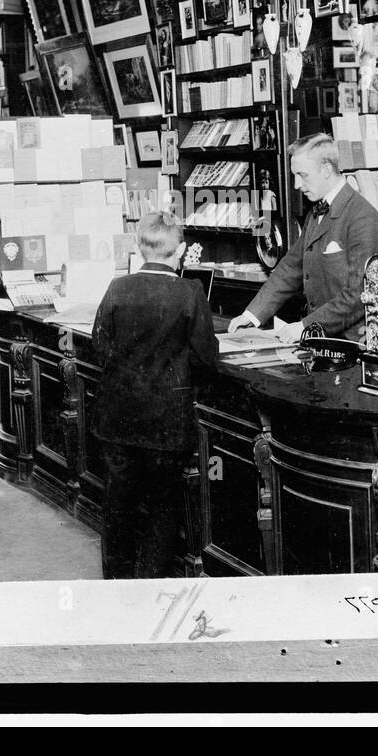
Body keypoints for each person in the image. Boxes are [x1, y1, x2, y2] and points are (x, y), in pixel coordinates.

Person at [91, 211, 218, 579]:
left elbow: (100, 346)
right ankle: (150, 587)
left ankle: (115, 583)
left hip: (117, 421)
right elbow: (206, 358)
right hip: (167, 422)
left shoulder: (118, 288)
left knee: (118, 505)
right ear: (180, 251)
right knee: (163, 508)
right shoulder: (189, 293)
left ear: (137, 246)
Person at [227, 133, 378, 343]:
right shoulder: (315, 213)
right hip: (320, 342)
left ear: (327, 170)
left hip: (351, 346)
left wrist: (303, 327)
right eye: (294, 175)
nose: (296, 185)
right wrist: (251, 316)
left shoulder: (362, 217)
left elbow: (358, 295)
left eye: (303, 175)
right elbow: (289, 268)